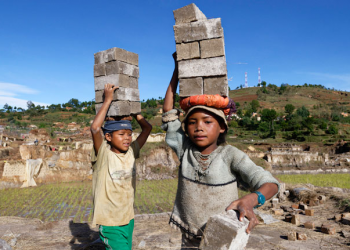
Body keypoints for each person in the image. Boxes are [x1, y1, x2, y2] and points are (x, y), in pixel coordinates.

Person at [162, 54, 280, 249]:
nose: (199, 127)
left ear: (222, 127)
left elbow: (270, 184)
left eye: (208, 122)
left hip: (222, 238)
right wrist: (177, 70)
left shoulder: (230, 155)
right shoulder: (185, 150)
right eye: (192, 122)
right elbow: (168, 112)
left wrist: (252, 199)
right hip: (189, 236)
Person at [90, 83, 152, 250]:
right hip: (110, 222)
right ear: (108, 137)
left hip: (128, 219)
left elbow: (148, 128)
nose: (127, 138)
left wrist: (135, 111)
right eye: (122, 134)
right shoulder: (104, 155)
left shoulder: (131, 152)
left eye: (130, 134)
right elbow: (95, 128)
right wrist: (108, 100)